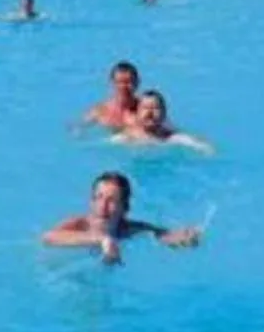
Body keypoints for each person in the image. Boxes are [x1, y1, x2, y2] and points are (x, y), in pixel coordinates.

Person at [41, 171, 201, 266]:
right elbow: (48, 237)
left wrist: (185, 238)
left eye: (111, 201)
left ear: (125, 208)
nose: (102, 206)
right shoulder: (79, 224)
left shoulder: (128, 229)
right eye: (98, 198)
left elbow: (163, 235)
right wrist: (101, 239)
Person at [111, 89, 213, 154]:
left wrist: (206, 149)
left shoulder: (171, 138)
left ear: (164, 114)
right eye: (145, 108)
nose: (150, 112)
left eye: (155, 108)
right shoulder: (127, 138)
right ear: (137, 113)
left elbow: (202, 146)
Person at [83, 61, 140, 130]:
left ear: (137, 83)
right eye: (119, 82)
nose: (123, 87)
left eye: (128, 82)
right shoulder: (100, 112)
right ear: (112, 83)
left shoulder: (144, 110)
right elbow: (79, 128)